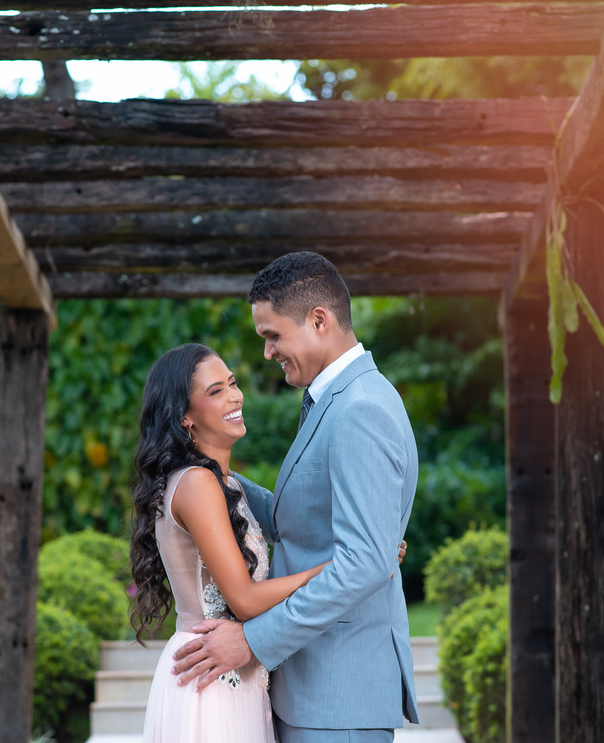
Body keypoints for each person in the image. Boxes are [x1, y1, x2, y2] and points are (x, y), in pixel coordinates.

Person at [171, 251, 420, 743]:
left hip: (337, 697)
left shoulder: (359, 410)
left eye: (273, 336)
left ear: (319, 320)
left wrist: (252, 641)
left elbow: (364, 564)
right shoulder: (337, 401)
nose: (268, 352)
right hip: (316, 691)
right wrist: (205, 476)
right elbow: (300, 513)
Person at [129, 343, 407, 742]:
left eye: (232, 383)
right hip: (212, 680)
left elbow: (292, 519)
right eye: (215, 391)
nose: (234, 396)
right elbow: (243, 599)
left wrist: (374, 539)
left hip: (238, 679)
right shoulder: (198, 484)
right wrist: (347, 563)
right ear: (184, 417)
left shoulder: (226, 483)